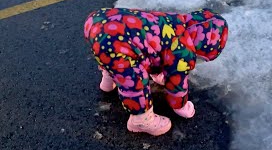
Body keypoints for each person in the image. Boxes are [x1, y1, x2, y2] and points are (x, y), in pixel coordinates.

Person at [84, 8, 228, 136]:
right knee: (134, 80)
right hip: (116, 40)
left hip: (99, 20)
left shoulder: (173, 21)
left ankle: (108, 81)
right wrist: (180, 105)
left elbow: (152, 48)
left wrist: (158, 71)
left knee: (115, 59)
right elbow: (176, 83)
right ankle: (141, 120)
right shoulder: (184, 51)